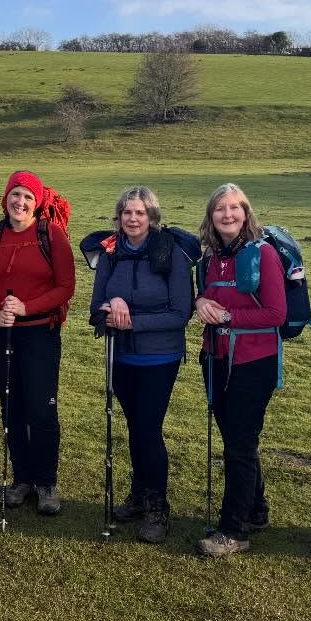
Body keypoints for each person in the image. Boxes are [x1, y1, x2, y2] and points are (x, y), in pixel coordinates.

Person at [86, 187, 194, 544]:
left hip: (159, 357)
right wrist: (112, 302)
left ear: (152, 217)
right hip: (122, 357)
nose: (133, 219)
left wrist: (130, 321)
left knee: (148, 429)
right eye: (127, 213)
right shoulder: (110, 252)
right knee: (135, 428)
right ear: (118, 217)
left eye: (140, 213)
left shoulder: (171, 253)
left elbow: (181, 314)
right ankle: (139, 492)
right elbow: (95, 307)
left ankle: (157, 506)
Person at [0, 170, 75, 516]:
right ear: (5, 198)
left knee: (42, 409)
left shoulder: (52, 235)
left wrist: (28, 307)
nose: (21, 202)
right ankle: (22, 479)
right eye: (15, 194)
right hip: (0, 332)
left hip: (39, 333)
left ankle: (46, 482)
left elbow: (65, 287)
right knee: (12, 406)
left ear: (38, 202)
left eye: (28, 197)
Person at [191, 184, 287, 558]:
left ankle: (233, 530)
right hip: (213, 357)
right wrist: (200, 300)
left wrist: (229, 316)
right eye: (219, 209)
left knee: (239, 444)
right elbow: (202, 297)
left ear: (246, 213)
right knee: (236, 437)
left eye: (234, 208)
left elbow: (276, 314)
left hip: (253, 362)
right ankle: (256, 509)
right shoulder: (210, 258)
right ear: (211, 216)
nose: (227, 214)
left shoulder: (262, 254)